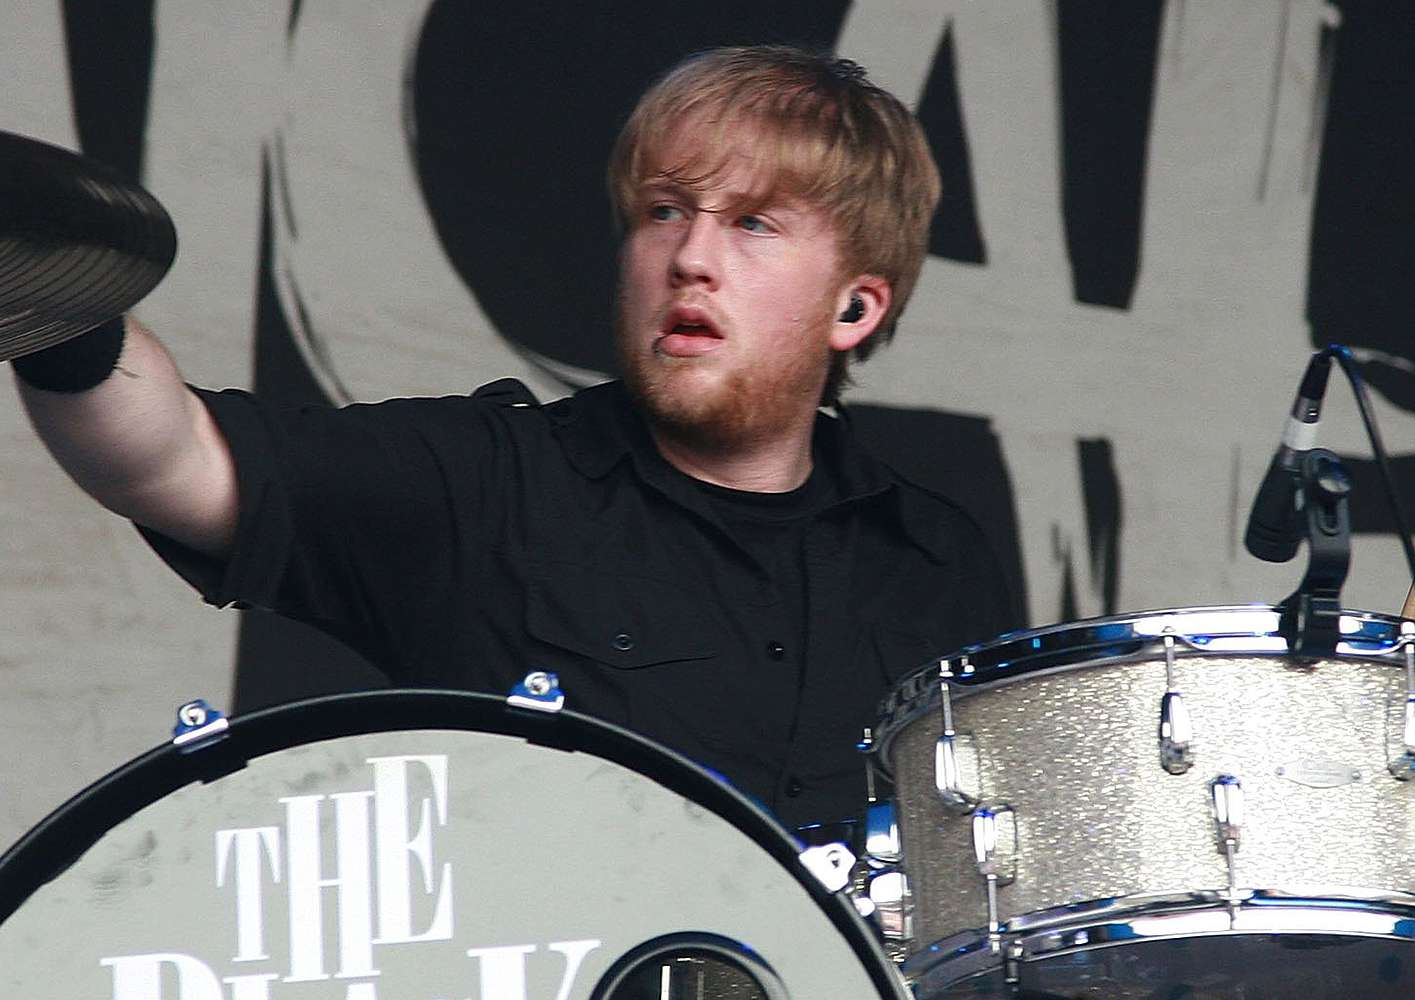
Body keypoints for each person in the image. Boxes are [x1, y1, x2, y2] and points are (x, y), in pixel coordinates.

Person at [12, 45, 1017, 829]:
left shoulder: (936, 560)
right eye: (664, 211)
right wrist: (48, 281)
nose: (690, 257)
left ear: (856, 307)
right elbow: (171, 456)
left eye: (754, 223)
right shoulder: (490, 485)